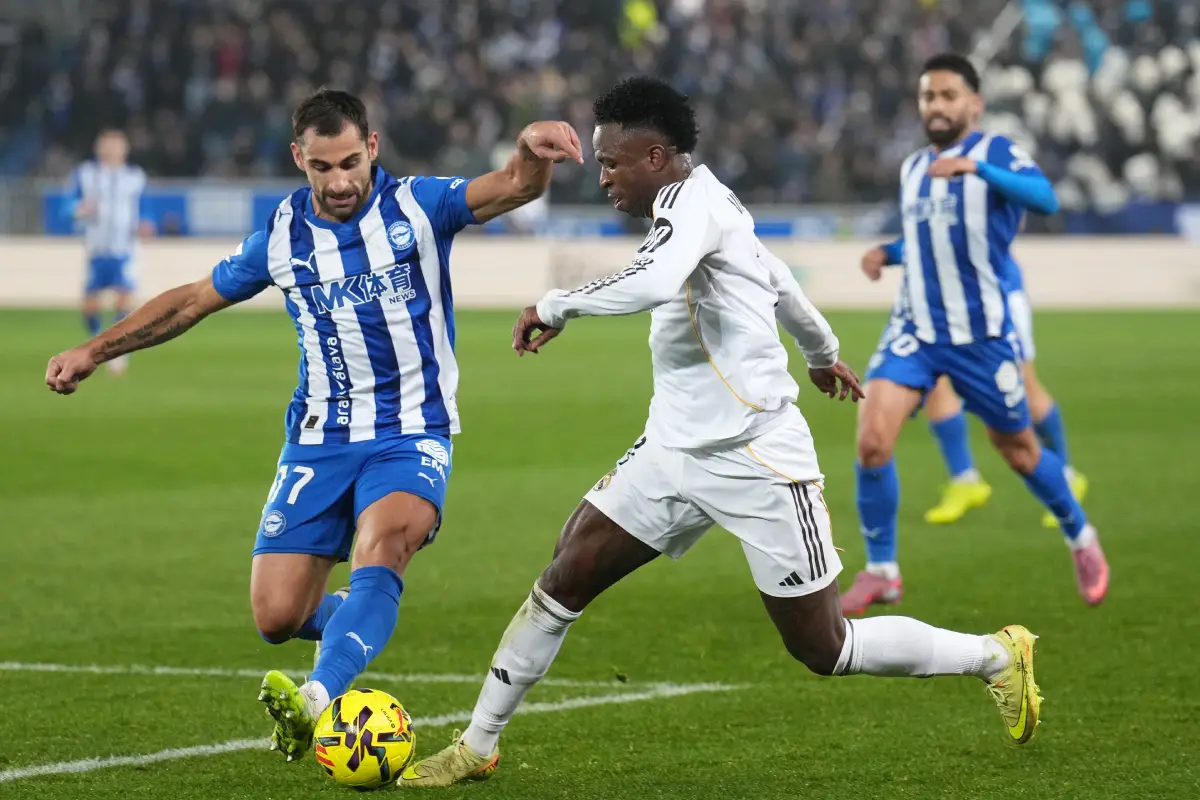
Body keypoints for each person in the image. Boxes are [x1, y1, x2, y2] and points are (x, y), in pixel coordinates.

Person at [397, 76, 1042, 789]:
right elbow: (779, 282)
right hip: (671, 450)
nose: (603, 176)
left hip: (756, 455)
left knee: (824, 647)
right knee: (565, 576)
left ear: (655, 156)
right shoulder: (703, 203)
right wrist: (823, 352)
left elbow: (652, 281)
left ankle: (994, 654)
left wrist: (554, 303)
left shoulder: (693, 206)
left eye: (612, 162)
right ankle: (478, 743)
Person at [44, 89, 584, 763]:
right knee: (277, 617)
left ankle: (316, 698)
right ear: (300, 158)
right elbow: (194, 300)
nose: (340, 181)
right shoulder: (282, 235)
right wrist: (95, 349)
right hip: (320, 438)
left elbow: (511, 187)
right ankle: (360, 621)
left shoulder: (418, 205)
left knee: (384, 543)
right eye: (323, 167)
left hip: (411, 430)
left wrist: (530, 150)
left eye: (351, 163)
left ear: (373, 149)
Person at [839, 53, 1108, 619]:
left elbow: (1047, 200)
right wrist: (886, 254)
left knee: (1017, 450)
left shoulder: (996, 154)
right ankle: (883, 571)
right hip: (915, 326)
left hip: (980, 334)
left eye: (947, 96)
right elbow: (926, 240)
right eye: (927, 97)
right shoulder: (914, 167)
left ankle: (1080, 537)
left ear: (974, 104)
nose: (935, 106)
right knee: (871, 440)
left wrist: (976, 171)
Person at [864, 242, 1087, 528]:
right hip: (937, 295)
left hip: (992, 291)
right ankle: (965, 479)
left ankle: (1066, 477)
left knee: (1023, 386)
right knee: (933, 383)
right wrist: (889, 253)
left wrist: (895, 251)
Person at [67, 129, 153, 375]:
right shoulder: (85, 174)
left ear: (125, 149)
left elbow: (145, 207)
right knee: (90, 305)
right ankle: (97, 343)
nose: (112, 150)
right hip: (96, 248)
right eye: (108, 145)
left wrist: (146, 223)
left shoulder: (135, 177)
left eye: (117, 145)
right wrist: (77, 208)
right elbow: (67, 204)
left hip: (125, 248)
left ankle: (118, 352)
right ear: (99, 148)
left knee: (124, 299)